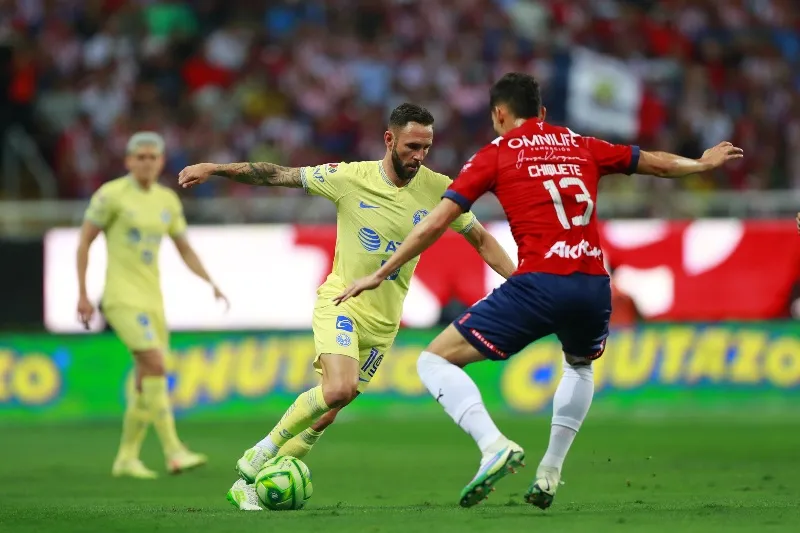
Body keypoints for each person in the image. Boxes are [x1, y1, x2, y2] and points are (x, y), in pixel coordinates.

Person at [335, 73, 744, 509]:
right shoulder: (582, 144)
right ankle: (550, 472)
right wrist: (701, 163)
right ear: (542, 113)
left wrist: (381, 272)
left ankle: (493, 446)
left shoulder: (495, 154)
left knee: (434, 360)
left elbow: (435, 223)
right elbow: (656, 163)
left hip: (540, 282)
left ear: (499, 114)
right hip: (593, 284)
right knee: (580, 365)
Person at [177, 103, 516, 511]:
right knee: (338, 388)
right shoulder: (349, 177)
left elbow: (481, 239)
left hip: (384, 324)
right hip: (342, 303)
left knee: (327, 412)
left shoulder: (439, 189)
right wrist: (215, 168)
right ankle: (262, 451)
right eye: (412, 146)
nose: (419, 156)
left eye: (426, 147)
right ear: (389, 139)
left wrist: (521, 282)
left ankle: (246, 488)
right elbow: (277, 174)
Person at [77, 132, 228, 479]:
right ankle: (174, 450)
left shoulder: (167, 200)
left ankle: (126, 457)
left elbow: (184, 248)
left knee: (145, 377)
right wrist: (83, 294)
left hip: (153, 300)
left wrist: (210, 281)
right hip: (120, 298)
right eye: (140, 157)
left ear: (161, 162)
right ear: (128, 161)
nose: (146, 162)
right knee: (155, 364)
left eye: (153, 157)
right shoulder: (111, 195)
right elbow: (84, 242)